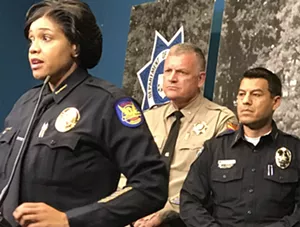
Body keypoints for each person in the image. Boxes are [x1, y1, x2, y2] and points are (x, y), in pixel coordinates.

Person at [0, 1, 169, 226]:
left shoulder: (108, 103)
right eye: (32, 39)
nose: (33, 48)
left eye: (46, 38)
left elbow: (152, 186)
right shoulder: (25, 103)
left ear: (75, 46)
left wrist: (70, 220)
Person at [133, 43, 237, 227]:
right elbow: (129, 172)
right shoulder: (148, 118)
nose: (172, 78)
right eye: (168, 71)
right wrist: (129, 211)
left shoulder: (220, 120)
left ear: (200, 79)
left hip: (184, 221)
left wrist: (166, 214)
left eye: (181, 72)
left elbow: (217, 184)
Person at [180, 67, 300, 227]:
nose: (246, 101)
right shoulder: (215, 149)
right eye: (242, 94)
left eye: (256, 95)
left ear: (275, 102)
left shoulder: (295, 150)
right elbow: (190, 201)